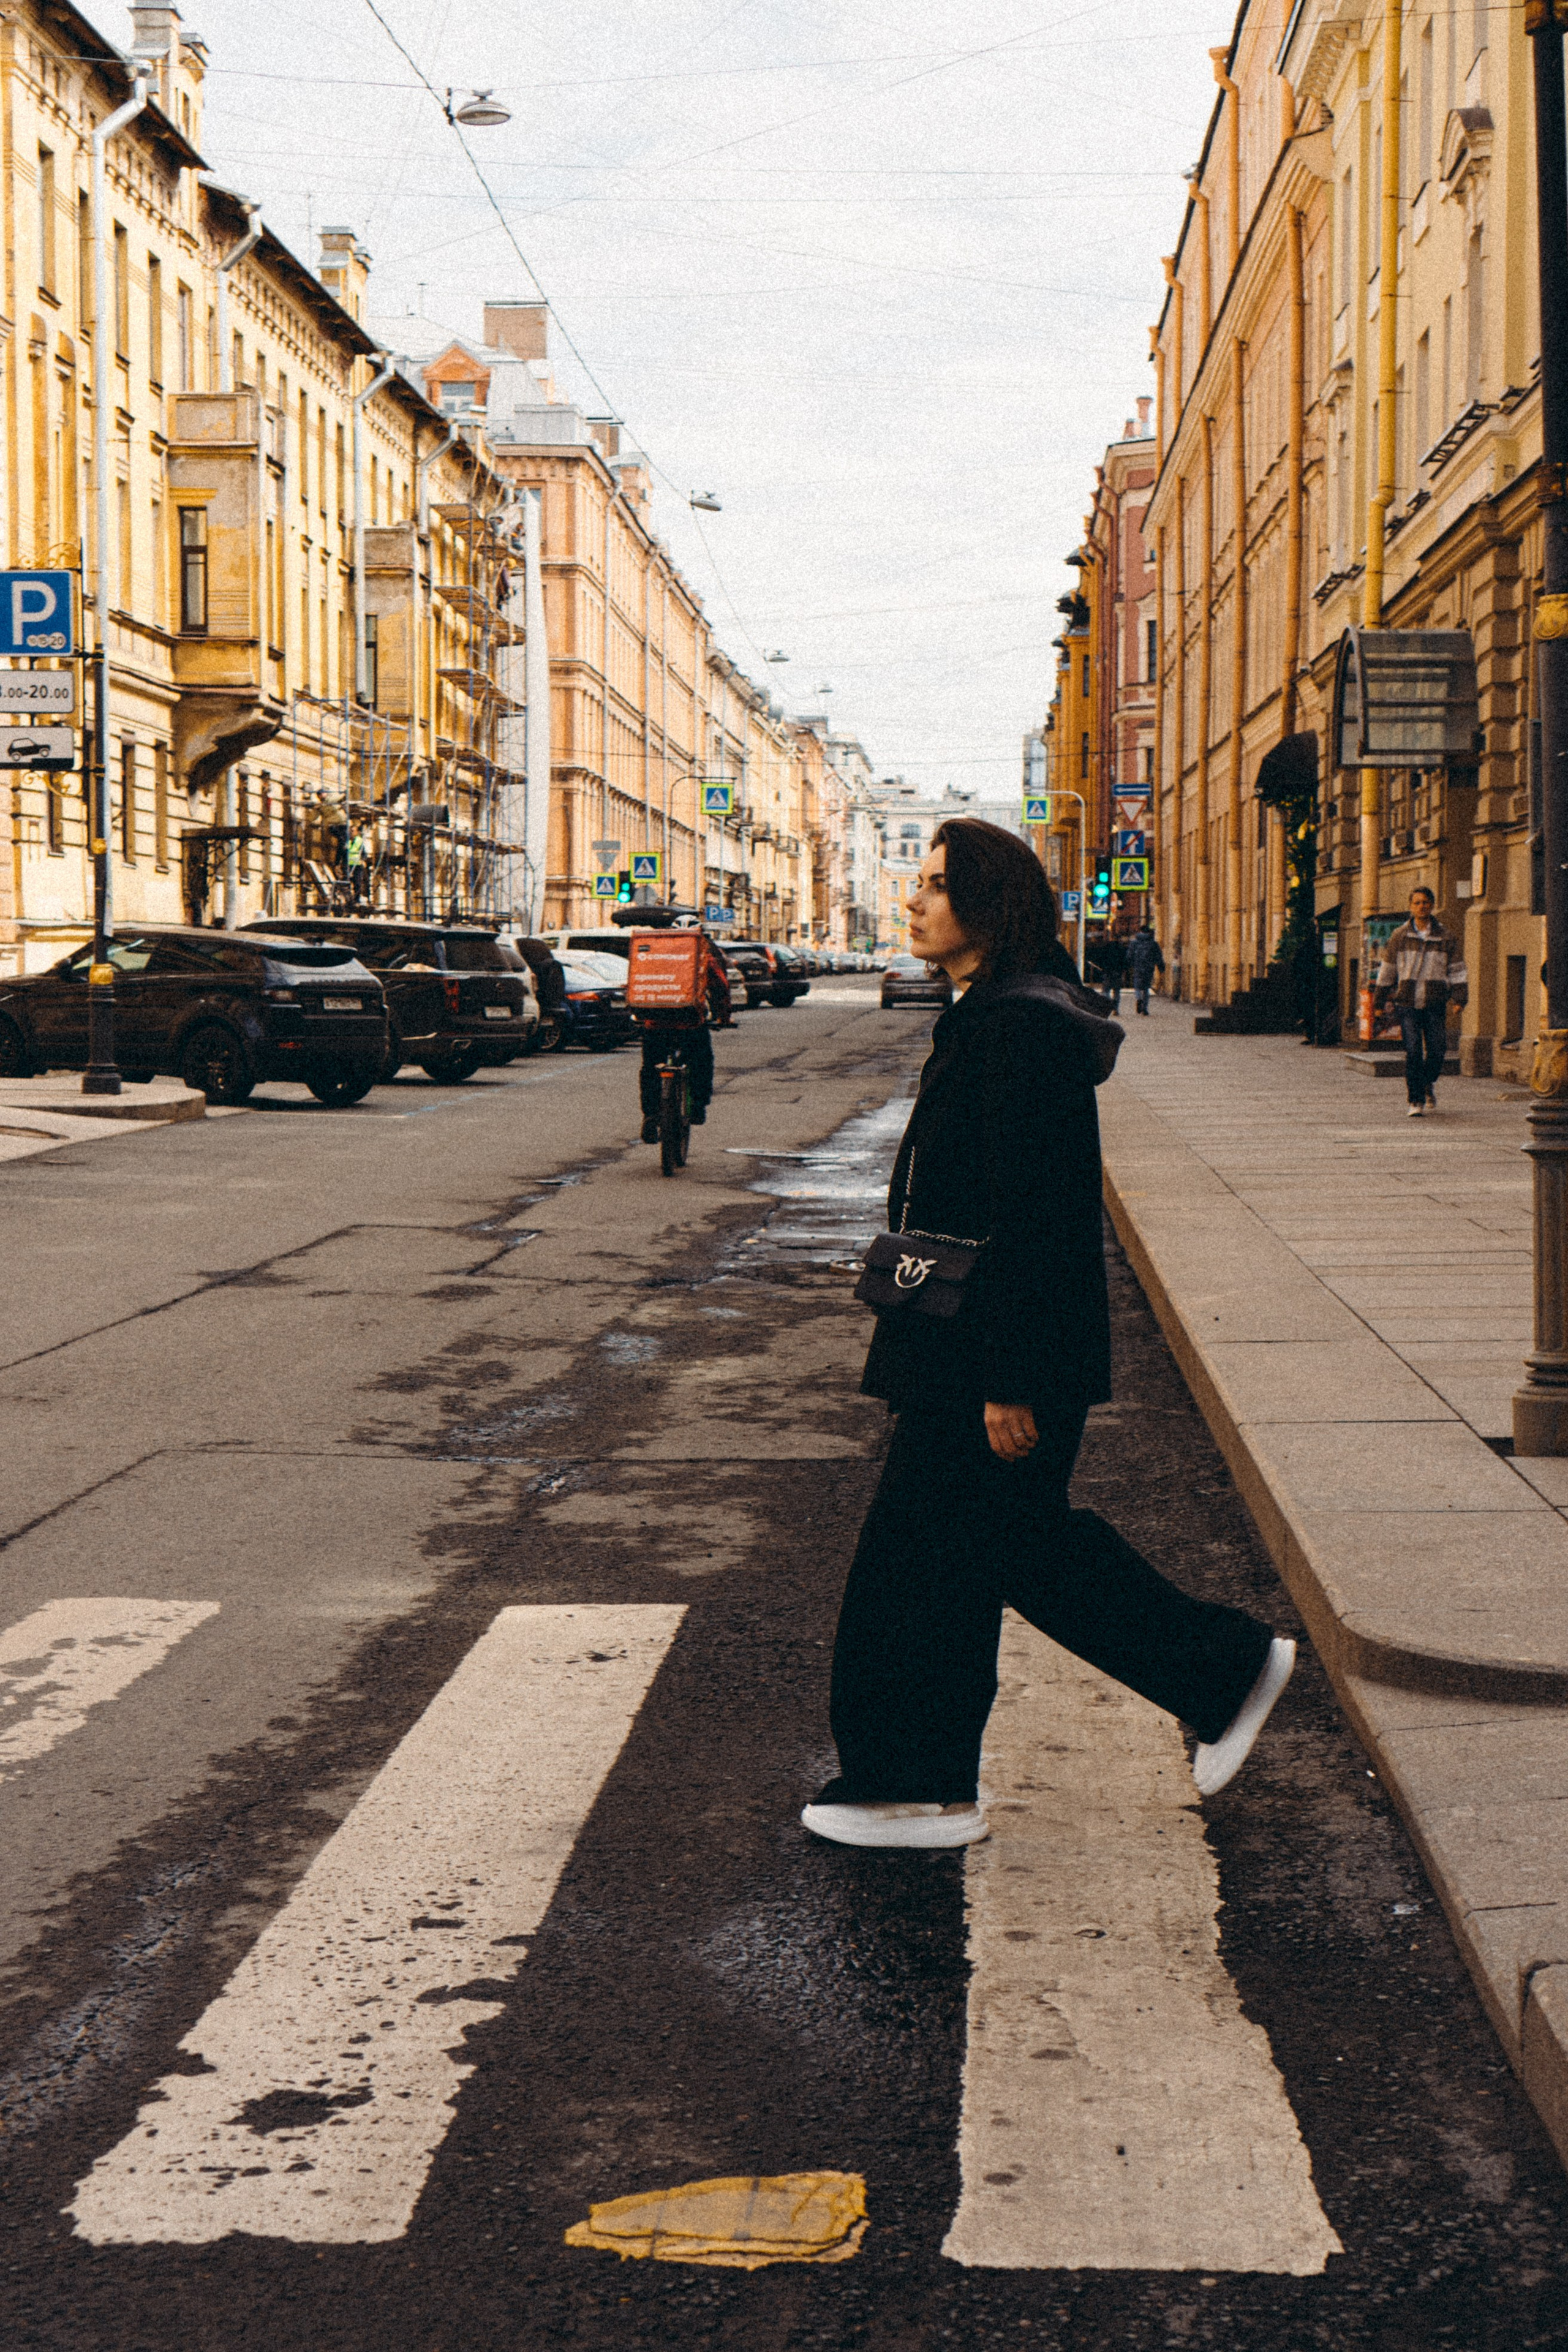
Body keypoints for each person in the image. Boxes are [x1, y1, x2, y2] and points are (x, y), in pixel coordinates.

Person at [802, 817, 1292, 1852]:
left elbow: (1038, 1216)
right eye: (920, 883)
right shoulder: (1001, 1014)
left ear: (990, 903)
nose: (917, 901)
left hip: (991, 1353)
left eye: (939, 885)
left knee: (930, 1562)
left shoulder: (1016, 1029)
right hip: (975, 1343)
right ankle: (1213, 1673)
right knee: (991, 1551)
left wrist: (1011, 1379)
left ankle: (921, 1783)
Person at [1374, 887, 1467, 1117]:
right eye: (1417, 903)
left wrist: (1459, 998)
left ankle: (1427, 1083)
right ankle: (1415, 1100)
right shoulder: (1400, 936)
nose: (1421, 906)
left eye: (1425, 902)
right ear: (1411, 906)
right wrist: (1380, 1000)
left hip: (1435, 1001)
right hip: (1407, 1002)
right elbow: (1389, 969)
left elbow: (1457, 970)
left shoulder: (1446, 936)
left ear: (1432, 905)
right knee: (1413, 1051)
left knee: (1438, 1050)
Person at [636, 929, 732, 1142]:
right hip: (690, 1025)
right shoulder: (702, 958)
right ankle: (698, 1107)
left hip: (655, 1026)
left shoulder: (652, 957)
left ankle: (651, 1116)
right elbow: (720, 986)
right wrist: (724, 1017)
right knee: (702, 1061)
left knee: (651, 1069)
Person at [1126, 923, 1165, 1014]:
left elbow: (1129, 956)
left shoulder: (1134, 942)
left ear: (1140, 931)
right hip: (1149, 968)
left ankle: (1139, 998)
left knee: (1137, 986)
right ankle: (1145, 1008)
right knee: (1146, 988)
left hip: (1138, 967)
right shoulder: (1153, 943)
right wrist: (1161, 968)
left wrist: (1129, 965)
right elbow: (1158, 956)